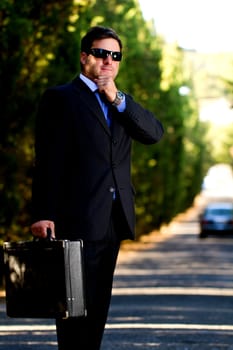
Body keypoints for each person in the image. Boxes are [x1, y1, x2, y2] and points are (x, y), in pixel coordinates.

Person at [30, 25, 164, 350]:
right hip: (75, 219)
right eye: (101, 53)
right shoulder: (61, 98)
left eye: (115, 56)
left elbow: (154, 133)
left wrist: (116, 98)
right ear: (84, 56)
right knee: (74, 310)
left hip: (113, 221)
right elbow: (47, 160)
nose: (108, 61)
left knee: (99, 308)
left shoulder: (121, 103)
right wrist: (43, 213)